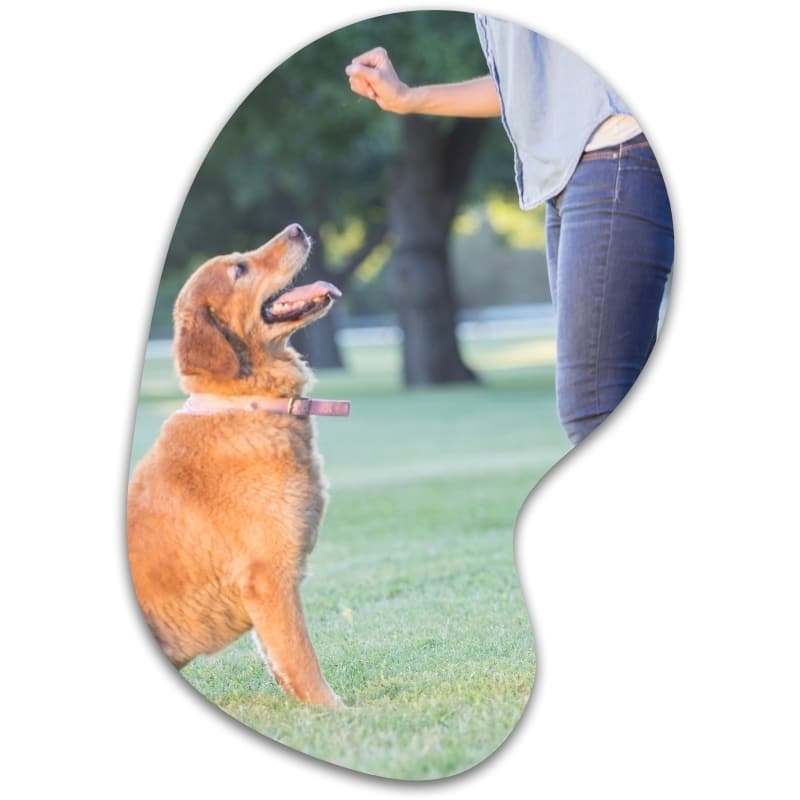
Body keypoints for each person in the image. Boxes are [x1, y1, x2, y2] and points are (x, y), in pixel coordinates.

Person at [345, 15, 674, 445]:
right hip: (574, 171)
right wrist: (409, 98)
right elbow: (526, 90)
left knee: (594, 405)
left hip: (614, 150)